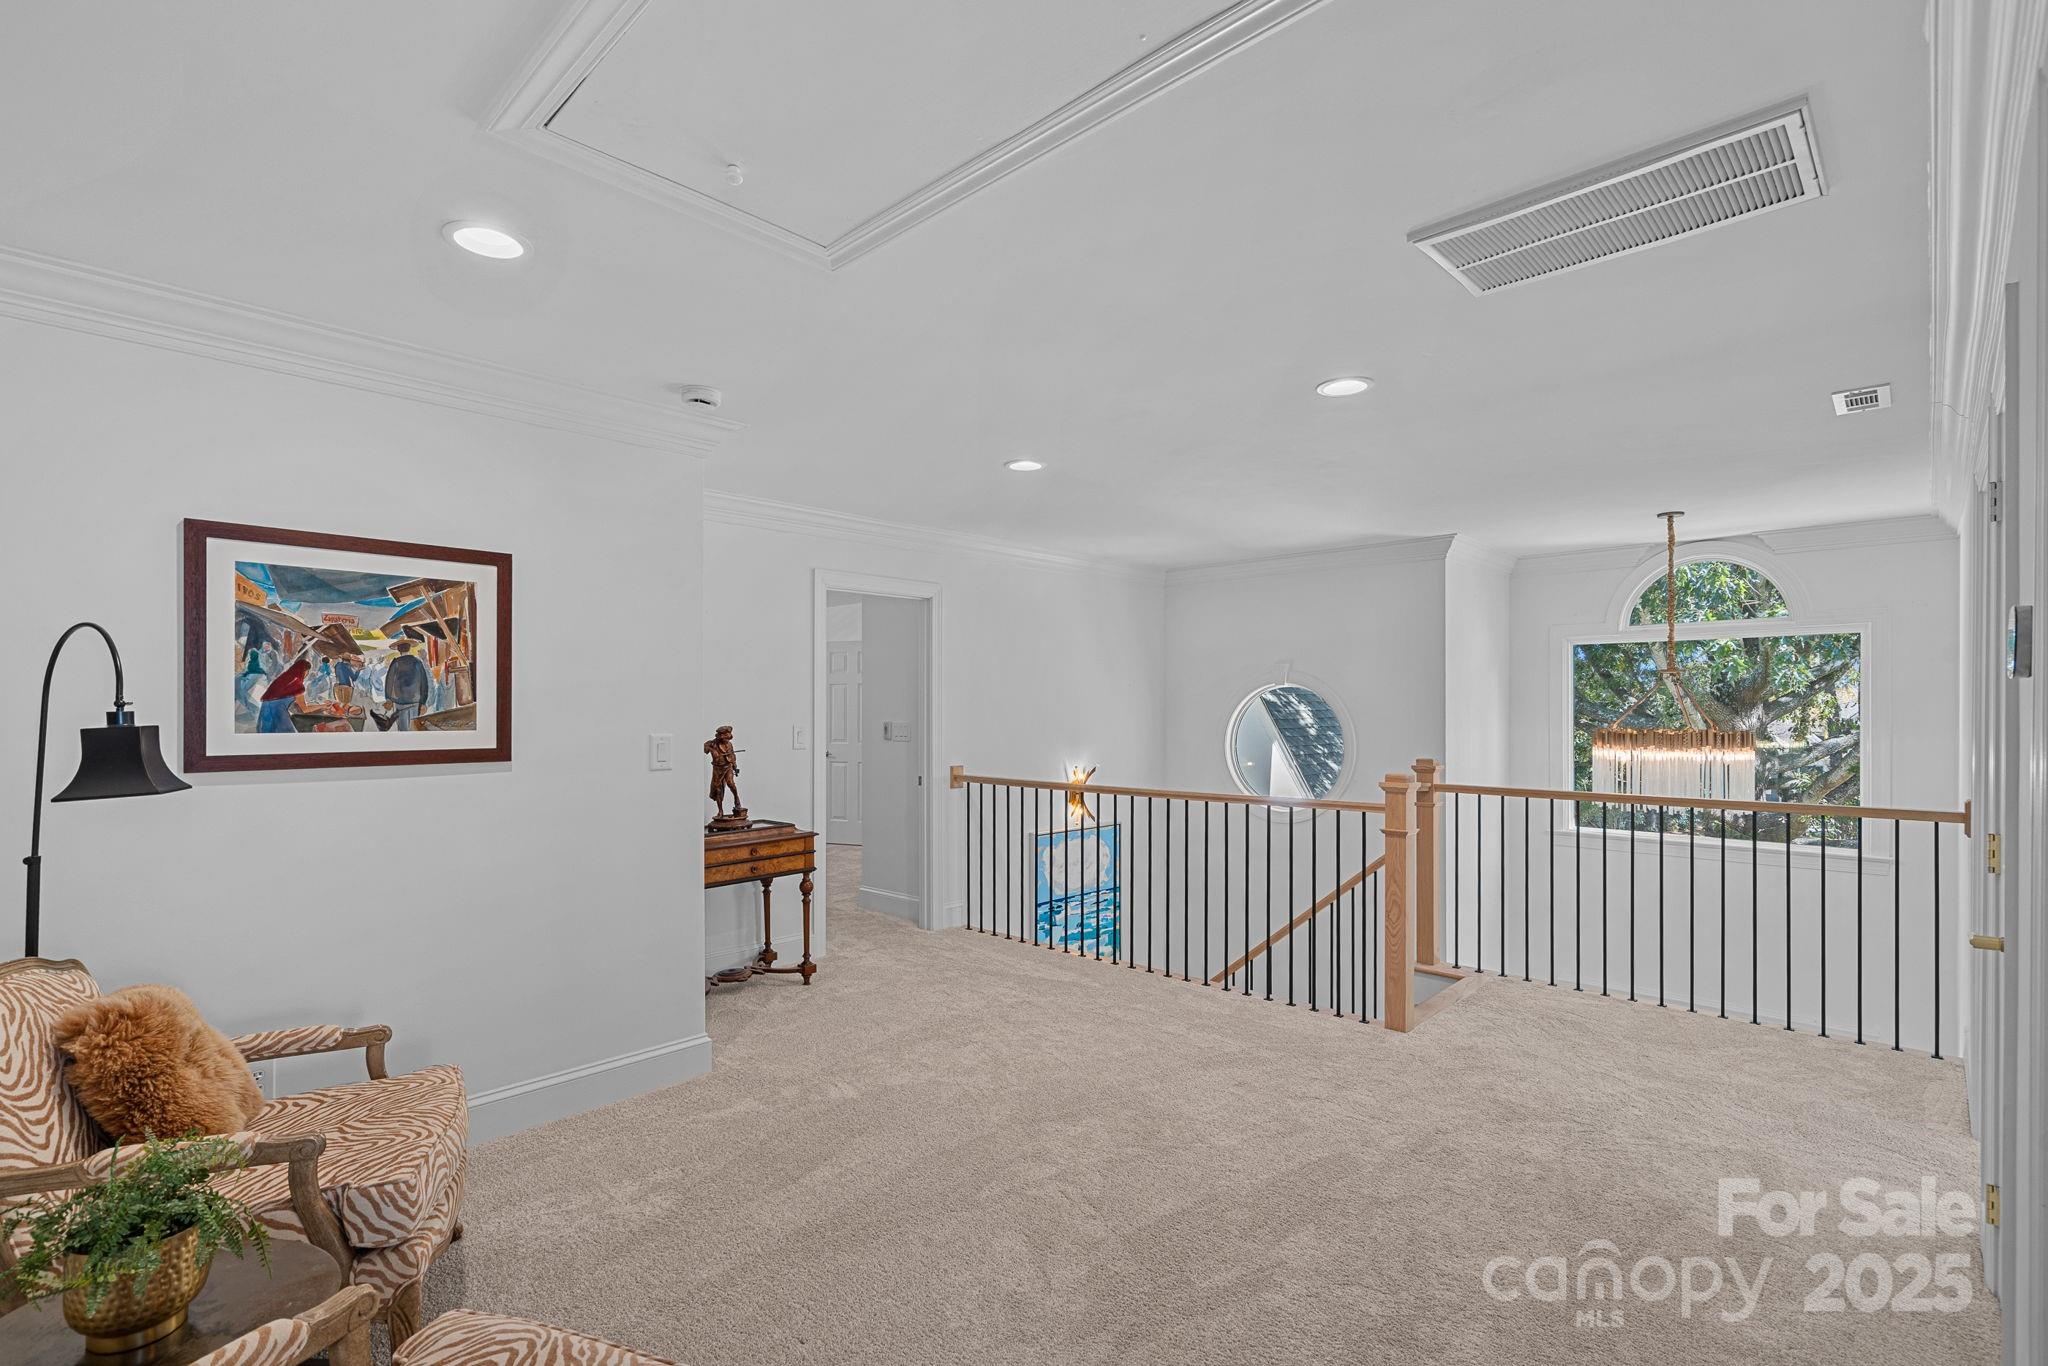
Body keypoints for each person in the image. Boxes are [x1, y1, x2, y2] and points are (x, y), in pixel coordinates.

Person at [383, 637, 431, 731]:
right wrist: (423, 702)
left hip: (399, 702)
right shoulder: (418, 662)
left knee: (402, 729)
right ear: (409, 648)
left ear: (398, 649)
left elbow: (389, 682)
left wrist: (388, 698)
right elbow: (424, 683)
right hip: (415, 701)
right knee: (414, 728)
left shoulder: (395, 663)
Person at [256, 653, 311, 733]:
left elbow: (280, 698)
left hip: (264, 718)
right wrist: (323, 705)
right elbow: (305, 709)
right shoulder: (298, 685)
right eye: (307, 671)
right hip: (279, 718)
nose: (307, 674)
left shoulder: (283, 678)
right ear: (304, 671)